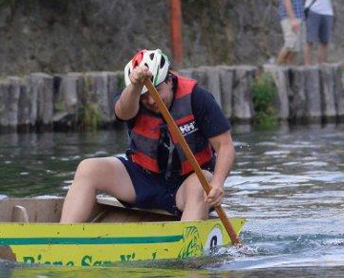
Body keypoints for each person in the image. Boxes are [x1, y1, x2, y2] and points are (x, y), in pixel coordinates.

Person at [59, 49, 235, 224]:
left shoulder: (197, 97)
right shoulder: (132, 97)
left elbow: (225, 146)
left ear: (170, 81)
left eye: (156, 91)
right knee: (88, 168)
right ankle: (64, 234)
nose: (151, 100)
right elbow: (123, 113)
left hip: (186, 185)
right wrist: (136, 87)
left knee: (203, 182)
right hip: (144, 180)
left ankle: (186, 238)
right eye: (145, 96)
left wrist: (217, 183)